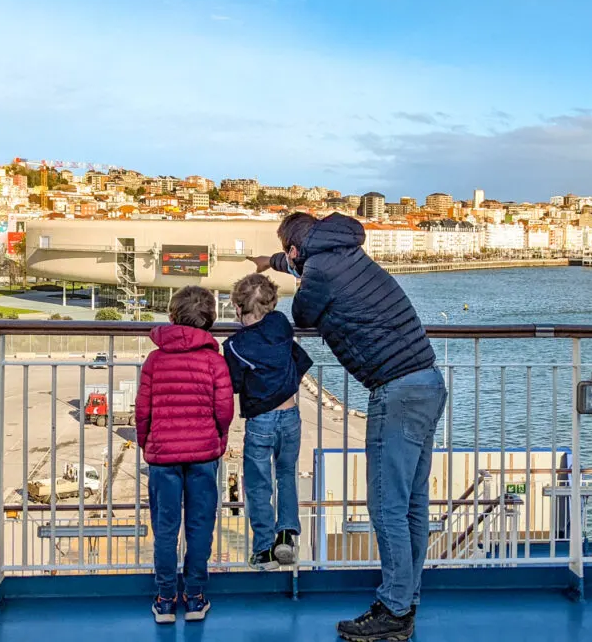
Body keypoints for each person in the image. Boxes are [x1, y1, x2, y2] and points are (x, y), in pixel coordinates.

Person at [252, 212, 445, 642]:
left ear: (296, 248)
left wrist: (290, 271)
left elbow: (303, 310)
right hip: (428, 381)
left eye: (289, 254)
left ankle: (394, 610)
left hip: (397, 391)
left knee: (386, 506)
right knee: (412, 502)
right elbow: (305, 266)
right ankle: (407, 597)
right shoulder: (343, 251)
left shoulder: (317, 270)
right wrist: (272, 263)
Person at [136, 286, 234, 624]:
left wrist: (145, 442)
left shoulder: (155, 360)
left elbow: (142, 410)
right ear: (210, 320)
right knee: (200, 525)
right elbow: (224, 410)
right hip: (204, 454)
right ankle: (194, 597)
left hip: (163, 457)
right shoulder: (214, 361)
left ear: (172, 317)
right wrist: (218, 440)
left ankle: (165, 599)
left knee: (165, 529)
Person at [223, 273, 312, 571]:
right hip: (291, 415)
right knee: (286, 475)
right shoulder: (281, 325)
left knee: (259, 486)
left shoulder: (235, 345)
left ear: (237, 308)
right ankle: (286, 535)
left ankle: (264, 550)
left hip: (260, 421)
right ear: (272, 304)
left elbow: (235, 383)